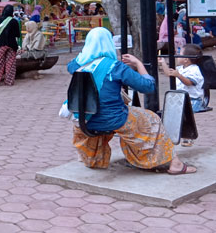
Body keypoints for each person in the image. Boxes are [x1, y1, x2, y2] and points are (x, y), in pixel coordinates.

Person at [69, 27, 196, 175]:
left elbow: (89, 69)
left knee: (119, 118)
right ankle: (175, 164)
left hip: (84, 120)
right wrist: (138, 64)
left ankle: (92, 158)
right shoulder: (115, 67)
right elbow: (148, 87)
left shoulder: (75, 64)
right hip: (113, 119)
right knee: (151, 119)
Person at [159, 44, 208, 115]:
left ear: (185, 59)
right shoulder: (181, 68)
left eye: (179, 54)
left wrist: (178, 75)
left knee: (179, 113)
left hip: (193, 100)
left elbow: (189, 82)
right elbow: (169, 73)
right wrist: (163, 62)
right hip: (181, 99)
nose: (177, 56)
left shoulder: (194, 70)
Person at [0, 5, 20, 87]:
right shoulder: (14, 21)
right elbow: (18, 34)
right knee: (10, 64)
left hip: (1, 44)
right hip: (12, 45)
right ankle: (9, 81)